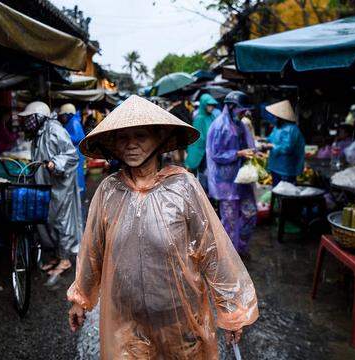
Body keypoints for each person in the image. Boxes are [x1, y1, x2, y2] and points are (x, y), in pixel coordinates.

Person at [67, 95, 258, 358]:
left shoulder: (184, 187)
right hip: (126, 320)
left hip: (179, 317)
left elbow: (213, 251)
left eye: (141, 136)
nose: (131, 145)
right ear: (114, 144)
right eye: (123, 138)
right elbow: (92, 251)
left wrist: (232, 310)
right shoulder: (108, 191)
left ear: (159, 139)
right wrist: (80, 298)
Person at [18, 101, 82, 285]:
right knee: (48, 222)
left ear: (40, 117)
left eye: (30, 117)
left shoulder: (54, 130)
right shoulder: (38, 133)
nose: (27, 122)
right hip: (45, 184)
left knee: (61, 222)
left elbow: (72, 155)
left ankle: (64, 260)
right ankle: (55, 256)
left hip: (59, 186)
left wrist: (56, 163)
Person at [206, 91, 258, 256]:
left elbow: (248, 145)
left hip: (242, 180)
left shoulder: (240, 125)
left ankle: (240, 248)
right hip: (226, 184)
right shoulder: (219, 126)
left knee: (250, 214)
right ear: (231, 106)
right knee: (229, 222)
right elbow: (215, 154)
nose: (245, 113)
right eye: (242, 109)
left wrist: (253, 153)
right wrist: (238, 154)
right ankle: (229, 257)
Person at [263, 100, 306, 186]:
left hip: (286, 168)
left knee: (285, 191)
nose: (272, 117)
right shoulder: (278, 127)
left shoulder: (291, 129)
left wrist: (271, 146)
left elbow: (287, 148)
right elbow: (272, 138)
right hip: (275, 166)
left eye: (274, 116)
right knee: (276, 190)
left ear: (280, 117)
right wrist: (263, 140)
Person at [185, 93, 218, 186]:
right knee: (202, 176)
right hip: (202, 153)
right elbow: (197, 139)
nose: (211, 107)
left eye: (213, 105)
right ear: (204, 104)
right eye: (209, 105)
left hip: (211, 151)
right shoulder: (199, 119)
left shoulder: (212, 117)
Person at [59, 103, 87, 200]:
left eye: (63, 115)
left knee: (77, 174)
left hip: (75, 154)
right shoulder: (72, 122)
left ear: (68, 114)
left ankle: (79, 194)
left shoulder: (74, 122)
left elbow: (76, 138)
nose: (62, 117)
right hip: (75, 153)